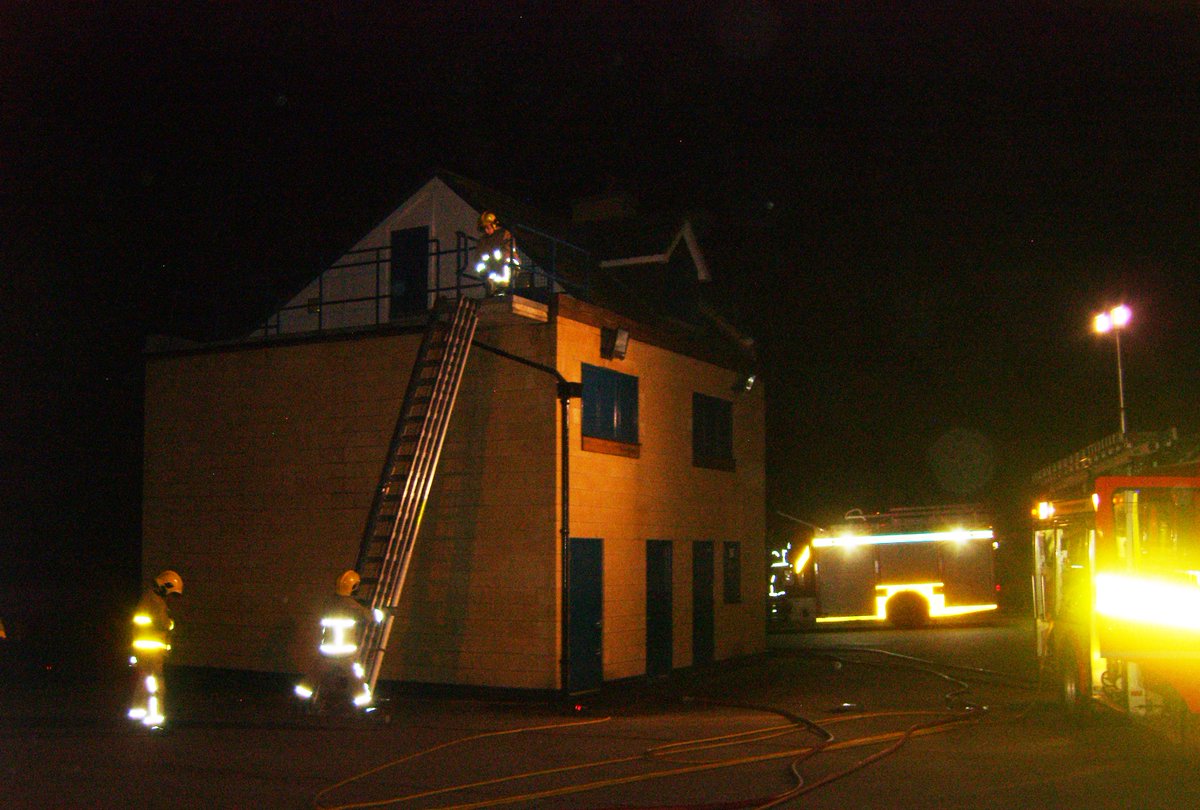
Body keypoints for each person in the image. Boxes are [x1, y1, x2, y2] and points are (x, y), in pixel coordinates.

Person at [294, 570, 375, 712]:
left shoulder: (328, 603)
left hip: (327, 652)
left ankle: (301, 701)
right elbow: (369, 617)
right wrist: (382, 613)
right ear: (352, 587)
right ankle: (364, 707)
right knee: (356, 679)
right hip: (346, 655)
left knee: (313, 676)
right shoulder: (352, 605)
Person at [128, 570, 182, 729]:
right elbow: (164, 624)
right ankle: (154, 721)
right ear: (166, 586)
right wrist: (171, 623)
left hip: (144, 653)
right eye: (171, 593)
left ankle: (138, 716)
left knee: (144, 684)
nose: (171, 598)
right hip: (152, 654)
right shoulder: (156, 602)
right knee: (156, 687)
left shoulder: (147, 599)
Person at [472, 210, 519, 294]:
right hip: (491, 272)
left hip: (505, 270)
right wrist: (482, 272)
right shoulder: (483, 241)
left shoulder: (504, 234)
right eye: (484, 228)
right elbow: (478, 258)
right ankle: (492, 289)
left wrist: (495, 256)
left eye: (487, 227)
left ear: (493, 225)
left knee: (506, 263)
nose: (486, 231)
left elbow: (508, 253)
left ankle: (504, 287)